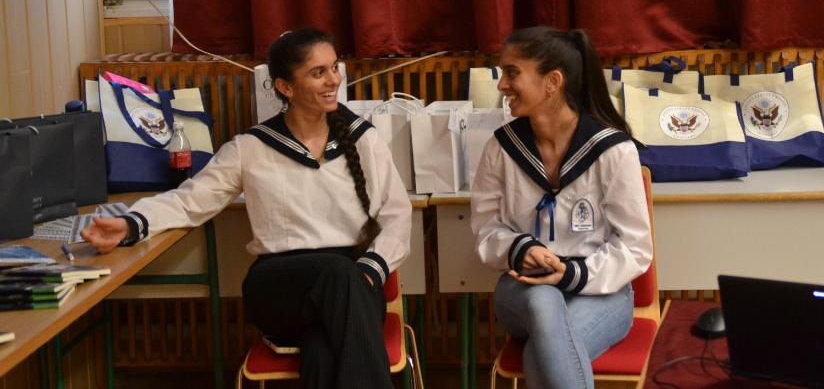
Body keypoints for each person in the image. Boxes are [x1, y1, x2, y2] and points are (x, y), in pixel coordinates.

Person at [82, 28, 412, 389]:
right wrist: (131, 223)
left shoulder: (364, 139)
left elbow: (397, 214)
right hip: (280, 288)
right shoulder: (250, 148)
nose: (334, 80)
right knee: (338, 275)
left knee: (322, 353)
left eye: (335, 67)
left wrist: (372, 268)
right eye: (318, 72)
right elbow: (190, 200)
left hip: (354, 283)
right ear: (285, 87)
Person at [470, 26, 653, 389]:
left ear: (552, 82)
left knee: (543, 352)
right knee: (543, 301)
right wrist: (522, 249)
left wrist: (570, 274)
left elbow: (634, 246)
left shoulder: (613, 150)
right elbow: (485, 228)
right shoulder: (501, 148)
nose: (502, 85)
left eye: (512, 73)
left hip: (602, 291)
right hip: (522, 291)